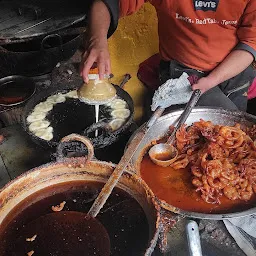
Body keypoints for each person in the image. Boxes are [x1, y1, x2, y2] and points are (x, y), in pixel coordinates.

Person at [80, 0, 256, 111]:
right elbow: (106, 3)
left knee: (233, 137)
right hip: (182, 70)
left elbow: (250, 42)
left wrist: (212, 80)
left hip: (235, 71)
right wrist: (97, 41)